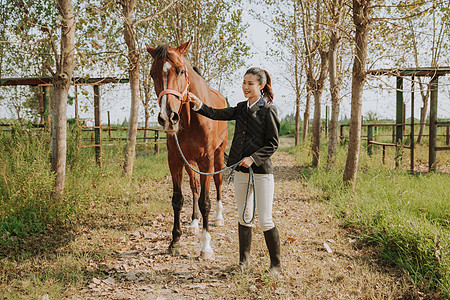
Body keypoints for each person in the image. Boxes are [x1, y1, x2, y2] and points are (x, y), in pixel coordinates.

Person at [188, 67, 281, 274]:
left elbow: (273, 143)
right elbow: (217, 113)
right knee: (243, 216)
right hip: (240, 172)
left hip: (262, 173)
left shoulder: (269, 110)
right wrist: (199, 105)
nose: (245, 87)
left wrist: (254, 158)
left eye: (250, 83)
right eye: (244, 82)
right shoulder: (240, 108)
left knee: (265, 219)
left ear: (261, 86)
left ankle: (276, 265)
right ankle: (243, 263)